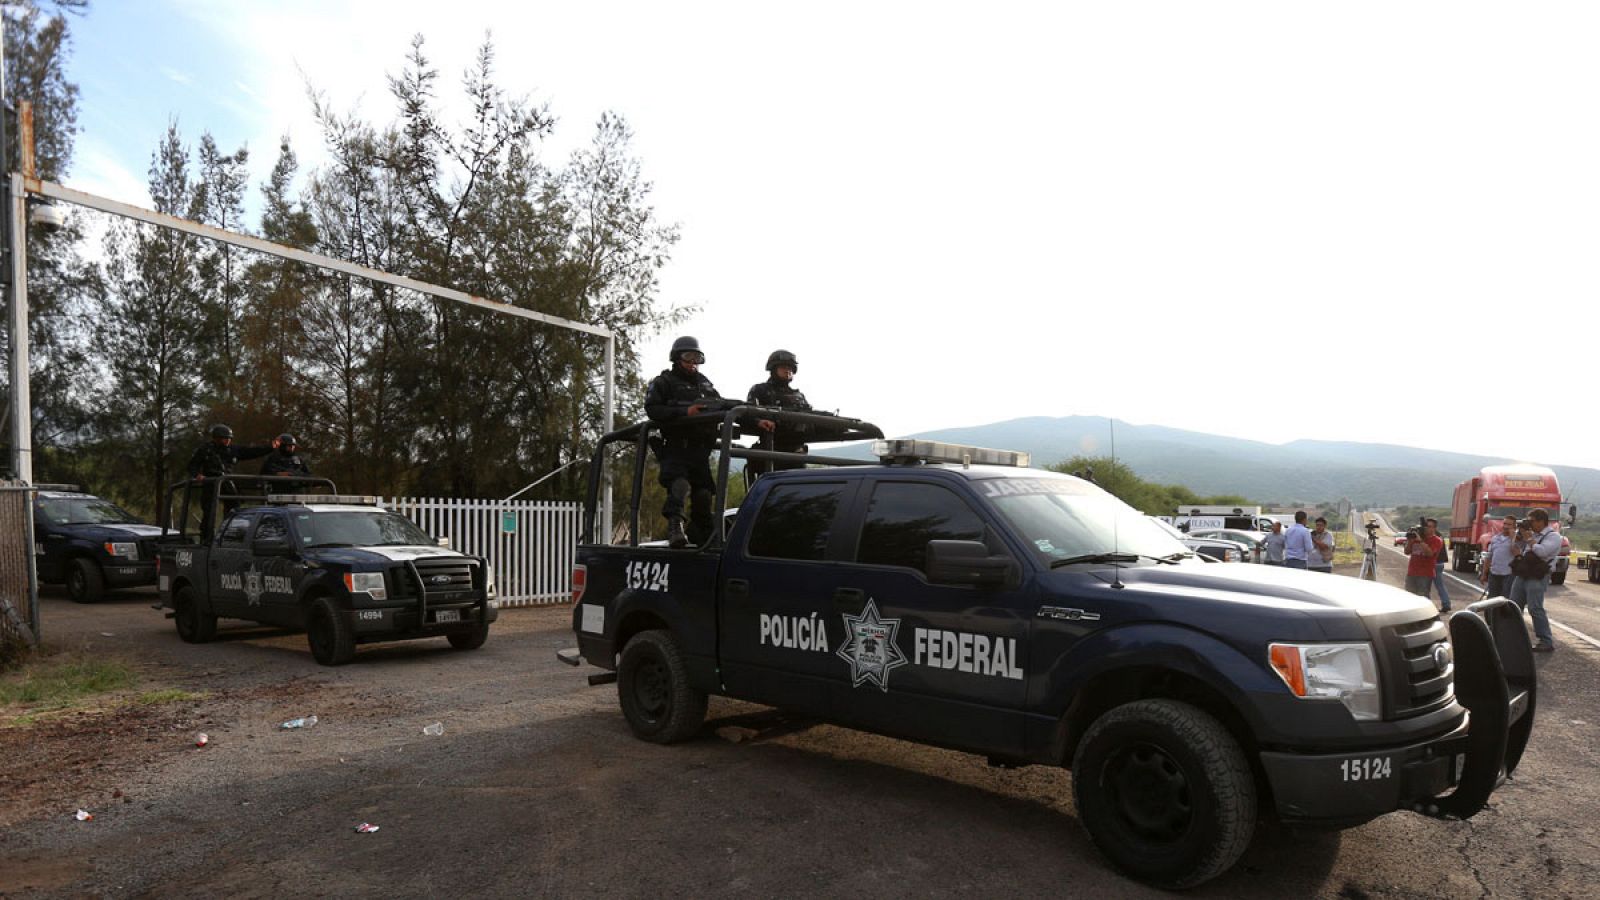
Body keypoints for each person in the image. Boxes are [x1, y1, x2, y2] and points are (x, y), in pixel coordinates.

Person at [645, 336, 724, 549]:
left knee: (704, 494)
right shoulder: (664, 382)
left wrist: (754, 417)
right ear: (677, 358)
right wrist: (684, 412)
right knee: (679, 485)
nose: (693, 362)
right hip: (676, 446)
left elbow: (722, 405)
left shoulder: (705, 384)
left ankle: (703, 534)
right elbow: (653, 409)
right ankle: (675, 527)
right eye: (688, 357)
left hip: (700, 449)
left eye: (697, 357)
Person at [186, 424, 273, 537]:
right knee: (209, 511)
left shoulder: (233, 450)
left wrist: (271, 447)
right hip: (211, 482)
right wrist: (198, 475)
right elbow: (192, 466)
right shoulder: (205, 449)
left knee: (234, 508)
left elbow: (252, 451)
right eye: (225, 438)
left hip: (227, 482)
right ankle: (207, 538)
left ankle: (229, 535)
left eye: (229, 438)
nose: (228, 441)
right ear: (217, 438)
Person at [744, 349, 811, 484]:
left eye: (791, 368)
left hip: (796, 452)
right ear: (773, 368)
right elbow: (747, 413)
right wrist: (759, 421)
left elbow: (811, 418)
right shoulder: (760, 390)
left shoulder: (799, 396)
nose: (788, 371)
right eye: (784, 367)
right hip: (771, 448)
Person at [1510, 508, 1561, 652]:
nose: (1529, 524)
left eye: (1531, 521)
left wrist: (1529, 539)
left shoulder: (1553, 536)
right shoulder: (1531, 534)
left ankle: (1546, 640)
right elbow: (1515, 548)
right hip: (1524, 573)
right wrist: (1519, 536)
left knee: (1535, 608)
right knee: (1513, 605)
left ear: (1541, 521)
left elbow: (1542, 552)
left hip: (1538, 576)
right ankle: (1511, 637)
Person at [1478, 515, 1517, 599]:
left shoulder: (1517, 539)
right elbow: (1489, 556)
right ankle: (1492, 612)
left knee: (1505, 598)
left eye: (1509, 525)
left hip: (1508, 574)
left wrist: (1513, 538)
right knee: (1492, 598)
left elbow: (1516, 553)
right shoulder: (1495, 538)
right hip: (1494, 573)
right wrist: (1484, 573)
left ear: (1514, 526)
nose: (1506, 526)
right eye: (1504, 524)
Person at [1404, 520, 1443, 602]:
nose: (1426, 529)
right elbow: (1406, 552)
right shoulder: (1415, 538)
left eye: (1429, 526)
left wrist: (1421, 541)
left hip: (1425, 574)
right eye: (1425, 527)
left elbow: (1430, 553)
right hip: (1412, 572)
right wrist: (1409, 541)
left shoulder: (1437, 540)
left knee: (1422, 599)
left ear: (1434, 529)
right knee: (1408, 597)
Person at [1425, 517, 1452, 612]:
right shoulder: (1439, 535)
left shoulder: (1432, 536)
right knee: (1440, 585)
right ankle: (1446, 603)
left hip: (1434, 563)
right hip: (1440, 563)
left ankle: (1427, 607)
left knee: (1425, 586)